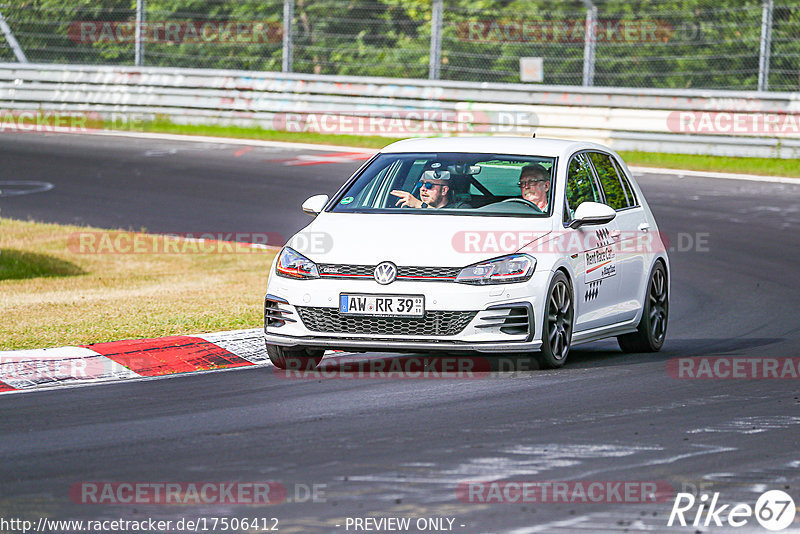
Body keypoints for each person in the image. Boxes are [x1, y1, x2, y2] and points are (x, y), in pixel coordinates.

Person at [390, 169, 469, 209]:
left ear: (444, 190)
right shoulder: (411, 208)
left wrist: (419, 204)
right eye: (420, 184)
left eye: (429, 185)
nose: (422, 188)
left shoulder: (461, 208)